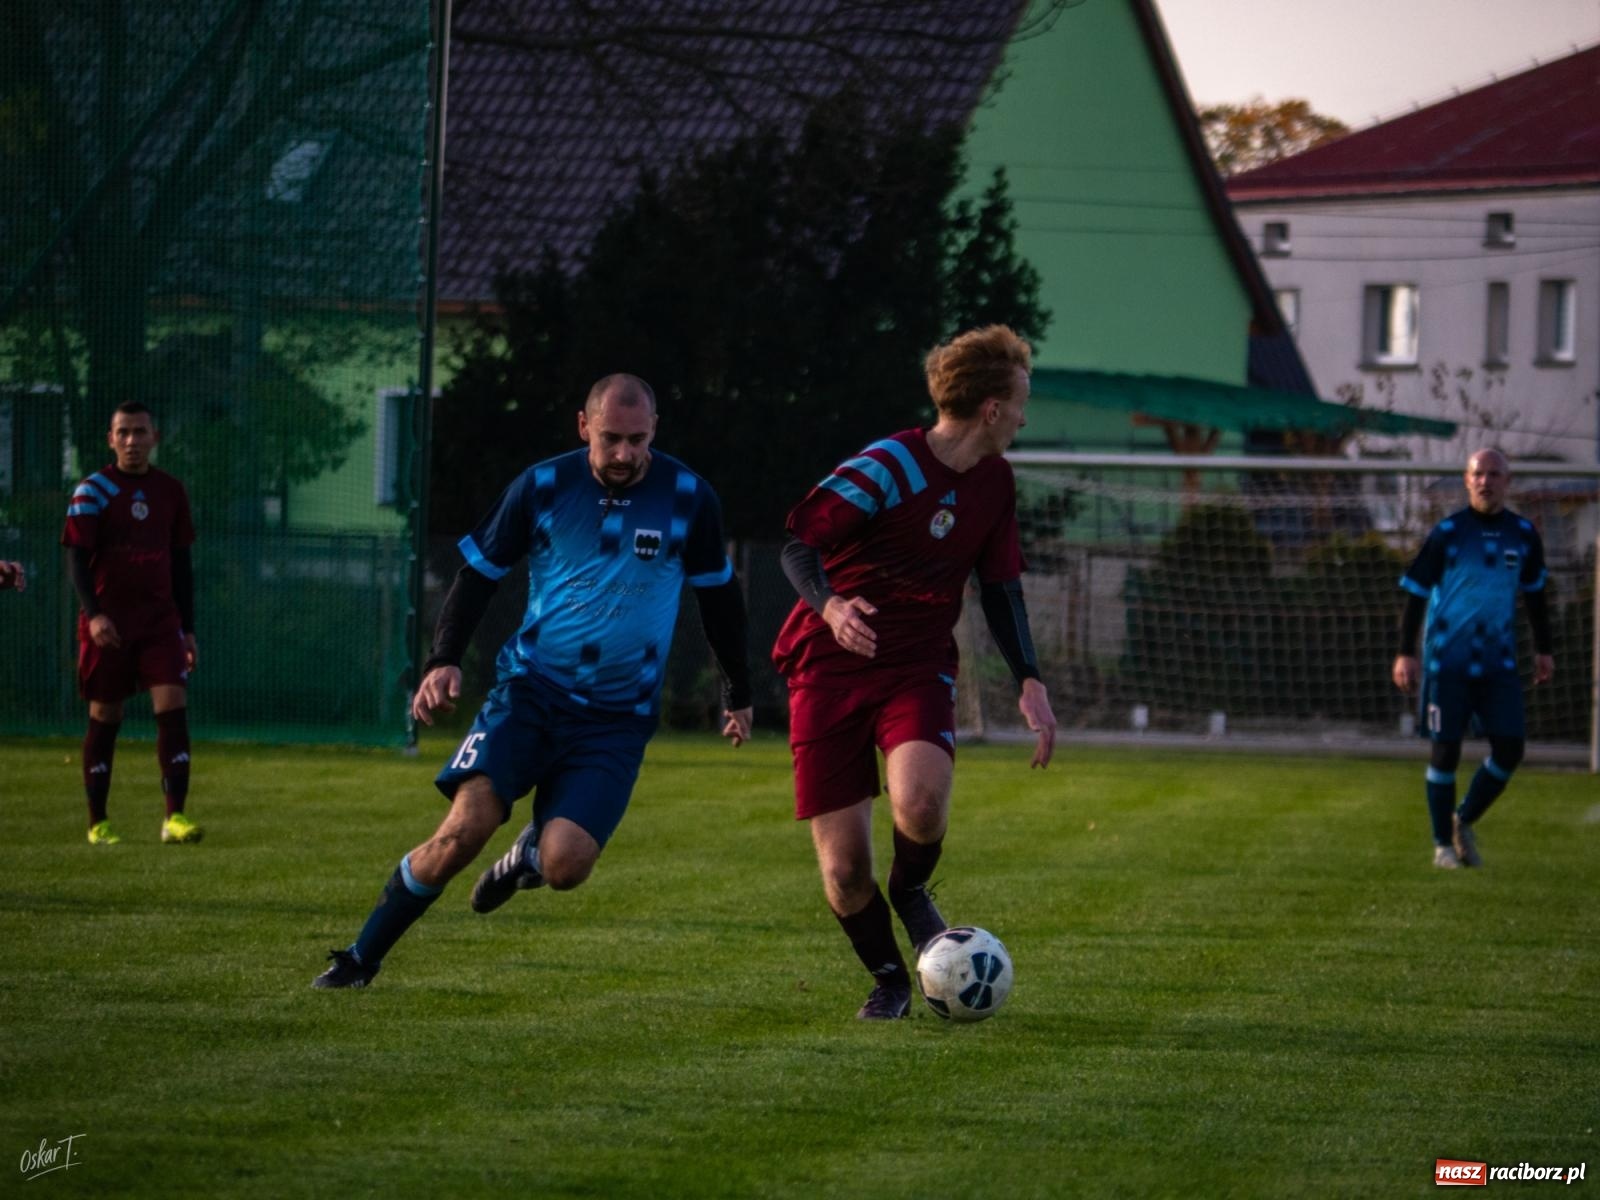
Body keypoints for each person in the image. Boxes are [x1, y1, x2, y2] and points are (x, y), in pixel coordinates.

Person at [314, 373, 753, 989]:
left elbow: (720, 599)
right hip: (531, 694)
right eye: (610, 439)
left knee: (567, 866)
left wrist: (738, 692)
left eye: (637, 439)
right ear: (583, 427)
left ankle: (528, 855)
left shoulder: (690, 496)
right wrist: (443, 659)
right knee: (463, 832)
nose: (625, 454)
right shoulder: (543, 484)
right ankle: (360, 960)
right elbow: (478, 574)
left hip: (616, 719)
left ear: (655, 429)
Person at [772, 324, 1058, 1020]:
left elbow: (1000, 589)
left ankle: (910, 893)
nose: (1025, 415)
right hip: (827, 666)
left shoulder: (995, 481)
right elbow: (797, 545)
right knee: (843, 871)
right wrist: (832, 605)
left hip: (917, 664)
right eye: (1020, 401)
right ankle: (893, 979)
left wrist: (1030, 678)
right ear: (991, 408)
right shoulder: (888, 464)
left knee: (922, 806)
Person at [1392, 448, 1555, 869]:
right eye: (1478, 474)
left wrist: (1544, 649)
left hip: (1498, 663)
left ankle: (1462, 820)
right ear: (1467, 481)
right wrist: (1405, 653)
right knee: (1444, 752)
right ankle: (1442, 847)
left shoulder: (1523, 534)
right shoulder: (1447, 532)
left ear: (1508, 481)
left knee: (1511, 749)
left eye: (1494, 474)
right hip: (1446, 662)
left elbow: (1536, 594)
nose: (1486, 481)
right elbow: (1415, 593)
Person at [60, 401, 201, 846]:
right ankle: (98, 822)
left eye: (140, 432)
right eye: (123, 432)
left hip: (160, 622)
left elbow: (181, 564)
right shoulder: (92, 491)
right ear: (110, 439)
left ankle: (174, 818)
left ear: (154, 438)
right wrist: (94, 614)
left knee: (173, 706)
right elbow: (76, 560)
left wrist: (188, 628)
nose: (132, 441)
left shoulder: (170, 492)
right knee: (105, 714)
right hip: (110, 625)